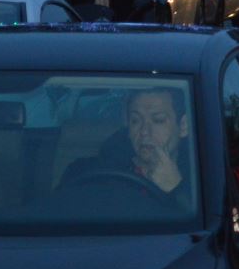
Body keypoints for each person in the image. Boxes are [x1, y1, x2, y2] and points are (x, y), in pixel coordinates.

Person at [60, 87, 192, 204]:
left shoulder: (202, 179)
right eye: (135, 121)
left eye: (158, 120)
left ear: (183, 126)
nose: (144, 132)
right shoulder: (88, 172)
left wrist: (176, 189)